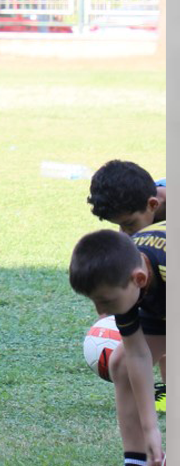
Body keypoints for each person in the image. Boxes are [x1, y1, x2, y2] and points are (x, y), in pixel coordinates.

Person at [69, 227, 167, 466]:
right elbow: (138, 355)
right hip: (159, 301)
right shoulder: (126, 268)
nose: (101, 312)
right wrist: (151, 430)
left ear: (138, 279)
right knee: (123, 363)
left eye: (106, 301)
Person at [87, 160, 167, 412]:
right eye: (118, 225)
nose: (124, 232)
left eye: (129, 224)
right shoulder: (137, 210)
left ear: (153, 205)